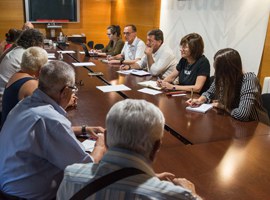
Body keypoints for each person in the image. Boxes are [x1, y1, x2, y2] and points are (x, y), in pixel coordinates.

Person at [0, 61, 106, 200]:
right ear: (66, 91)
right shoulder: (51, 120)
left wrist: (82, 129)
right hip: (25, 195)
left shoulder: (25, 104)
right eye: (73, 89)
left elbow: (42, 132)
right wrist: (100, 145)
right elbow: (85, 168)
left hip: (9, 184)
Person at [57, 99, 201, 200]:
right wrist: (192, 194)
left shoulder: (71, 176)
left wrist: (129, 176)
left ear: (105, 138)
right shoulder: (174, 196)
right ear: (157, 146)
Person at [186, 48, 270, 125]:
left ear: (227, 70)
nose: (216, 73)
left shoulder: (248, 79)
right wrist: (200, 100)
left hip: (256, 125)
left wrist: (223, 106)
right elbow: (209, 93)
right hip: (233, 121)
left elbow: (242, 114)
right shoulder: (222, 77)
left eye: (218, 69)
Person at [0, 28, 44, 117]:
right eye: (41, 44)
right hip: (7, 105)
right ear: (35, 43)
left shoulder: (18, 50)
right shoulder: (25, 55)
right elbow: (39, 78)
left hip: (6, 98)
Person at [1, 47, 48, 126]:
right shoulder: (31, 84)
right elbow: (46, 113)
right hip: (16, 133)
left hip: (7, 128)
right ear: (41, 68)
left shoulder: (17, 75)